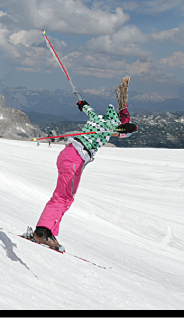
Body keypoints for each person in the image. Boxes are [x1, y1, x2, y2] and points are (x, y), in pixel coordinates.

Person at [27, 77, 138, 252]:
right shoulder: (111, 124)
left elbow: (89, 111)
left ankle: (46, 231)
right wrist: (130, 128)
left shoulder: (99, 118)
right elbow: (125, 132)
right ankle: (42, 232)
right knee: (63, 197)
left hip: (68, 155)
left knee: (64, 195)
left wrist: (83, 104)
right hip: (76, 158)